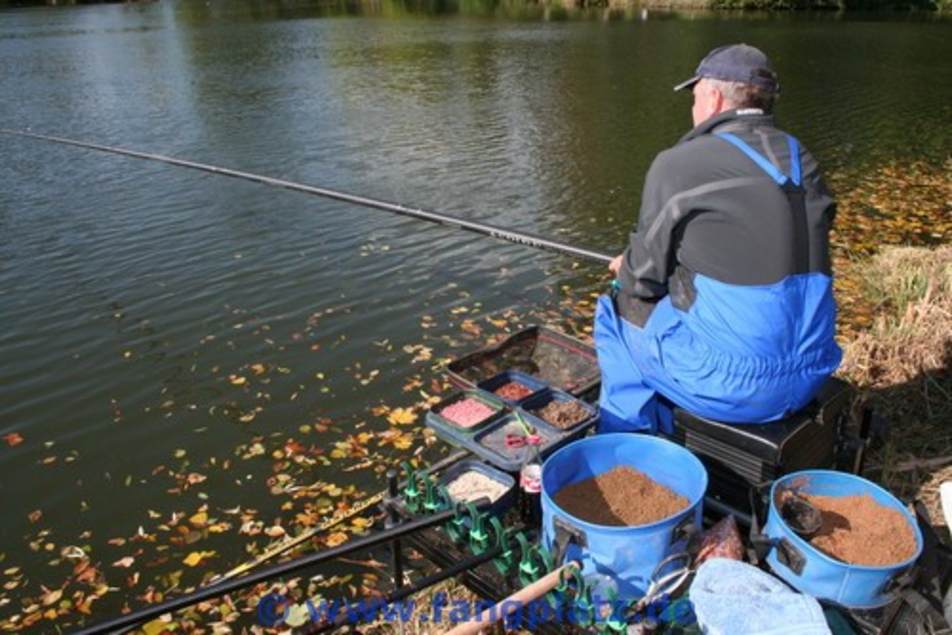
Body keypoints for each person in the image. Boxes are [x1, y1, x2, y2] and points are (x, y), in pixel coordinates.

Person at [595, 43, 842, 435]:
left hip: (736, 387)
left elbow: (641, 278)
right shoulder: (802, 158)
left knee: (618, 305)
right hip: (815, 367)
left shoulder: (680, 163)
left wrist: (627, 266)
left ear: (711, 97)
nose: (692, 109)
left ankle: (628, 448)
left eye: (693, 97)